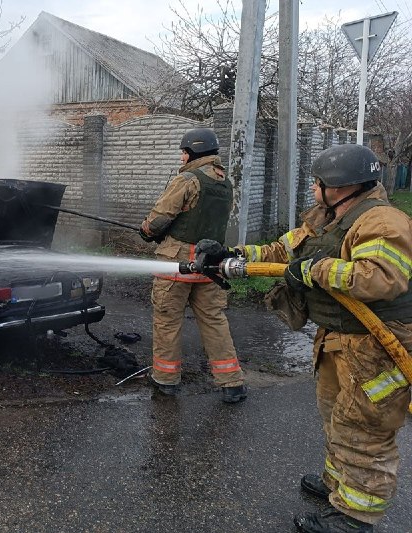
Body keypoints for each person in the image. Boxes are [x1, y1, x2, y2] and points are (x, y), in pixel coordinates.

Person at [198, 143, 412, 532]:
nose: (313, 188)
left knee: (364, 429)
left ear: (341, 185)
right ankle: (339, 485)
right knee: (336, 417)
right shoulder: (327, 218)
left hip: (376, 347)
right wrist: (231, 254)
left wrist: (316, 269)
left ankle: (355, 516)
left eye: (318, 182)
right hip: (338, 339)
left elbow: (381, 278)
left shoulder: (382, 222)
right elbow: (282, 251)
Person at [139, 127, 247, 403]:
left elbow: (160, 219)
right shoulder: (224, 183)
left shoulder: (187, 179)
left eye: (183, 152)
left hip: (177, 265)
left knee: (167, 321)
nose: (181, 158)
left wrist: (147, 231)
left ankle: (165, 379)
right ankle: (232, 382)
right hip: (211, 266)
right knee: (214, 321)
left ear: (193, 152)